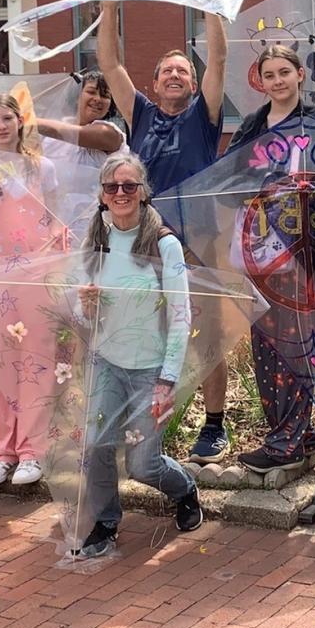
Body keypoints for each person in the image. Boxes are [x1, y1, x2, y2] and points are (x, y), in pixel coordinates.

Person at [95, 2, 231, 464]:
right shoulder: (142, 115)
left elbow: (218, 60)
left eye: (183, 71)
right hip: (145, 245)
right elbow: (110, 63)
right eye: (167, 71)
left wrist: (209, 7)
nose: (175, 75)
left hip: (198, 243)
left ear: (193, 84)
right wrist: (110, 6)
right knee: (143, 333)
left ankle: (214, 426)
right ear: (153, 84)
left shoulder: (203, 118)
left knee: (205, 334)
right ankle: (145, 424)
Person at [74, 150, 203, 558]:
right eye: (112, 187)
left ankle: (184, 488)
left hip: (151, 368)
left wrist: (167, 379)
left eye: (130, 185)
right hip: (106, 362)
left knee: (143, 465)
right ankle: (106, 521)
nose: (121, 193)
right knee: (95, 447)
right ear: (102, 195)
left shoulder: (164, 245)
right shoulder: (95, 241)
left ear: (143, 192)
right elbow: (84, 311)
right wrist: (88, 306)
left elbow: (180, 315)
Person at [226, 45, 315, 474]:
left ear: (300, 75)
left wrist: (306, 197)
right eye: (269, 74)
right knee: (266, 344)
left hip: (301, 254)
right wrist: (257, 188)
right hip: (258, 251)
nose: (278, 81)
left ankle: (285, 442)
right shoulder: (251, 126)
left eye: (284, 72)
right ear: (261, 80)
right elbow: (227, 178)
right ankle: (301, 433)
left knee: (294, 341)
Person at [0, 93, 63, 488]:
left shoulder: (43, 168)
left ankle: (34, 450)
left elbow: (54, 218)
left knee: (36, 361)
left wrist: (56, 240)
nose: (1, 125)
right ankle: (3, 452)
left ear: (20, 121)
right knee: (2, 363)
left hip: (37, 275)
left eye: (8, 118)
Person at [36, 70, 126, 169]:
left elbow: (72, 134)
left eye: (105, 95)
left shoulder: (110, 134)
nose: (98, 99)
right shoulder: (48, 137)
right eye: (91, 92)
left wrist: (28, 120)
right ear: (77, 96)